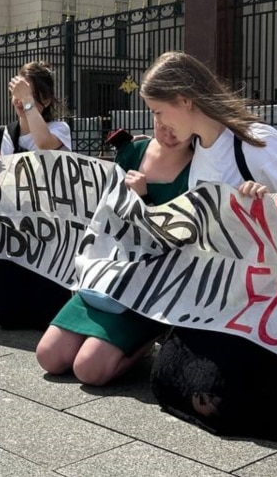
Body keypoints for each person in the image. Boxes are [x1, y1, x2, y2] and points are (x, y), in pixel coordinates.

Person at [139, 51, 277, 442]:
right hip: (225, 297)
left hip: (272, 301)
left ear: (185, 100)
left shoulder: (256, 142)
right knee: (164, 379)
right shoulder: (198, 150)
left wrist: (266, 209)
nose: (158, 124)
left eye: (159, 111)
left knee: (211, 400)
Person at [36, 119, 190, 385]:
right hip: (108, 275)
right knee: (49, 357)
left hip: (148, 287)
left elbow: (184, 238)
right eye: (159, 119)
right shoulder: (133, 151)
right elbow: (105, 215)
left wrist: (144, 200)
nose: (168, 131)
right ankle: (111, 342)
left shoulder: (201, 164)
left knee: (89, 370)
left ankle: (146, 341)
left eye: (174, 120)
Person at [0, 61, 75, 329]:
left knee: (48, 316)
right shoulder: (0, 135)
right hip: (12, 232)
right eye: (17, 95)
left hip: (47, 232)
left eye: (27, 94)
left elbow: (44, 147)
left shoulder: (58, 130)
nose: (20, 101)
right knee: (6, 315)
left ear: (44, 98)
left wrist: (29, 102)